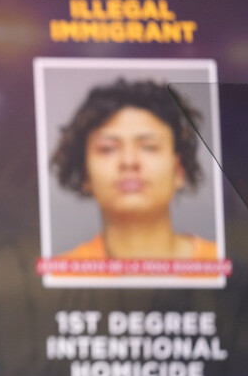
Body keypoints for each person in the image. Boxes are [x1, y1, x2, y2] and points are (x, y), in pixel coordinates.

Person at [50, 78, 217, 260]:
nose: (129, 161)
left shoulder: (223, 265)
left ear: (179, 170)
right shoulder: (62, 272)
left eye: (148, 147)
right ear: (84, 174)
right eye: (108, 148)